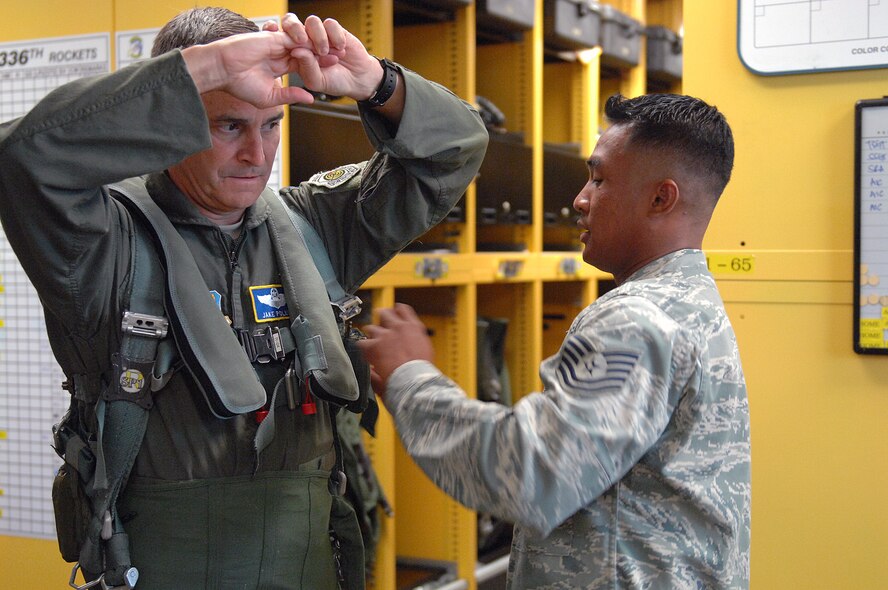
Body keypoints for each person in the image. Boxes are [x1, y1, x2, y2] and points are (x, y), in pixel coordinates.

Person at [0, 6, 487, 589]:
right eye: (229, 126)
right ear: (171, 122)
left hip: (308, 564)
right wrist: (201, 69)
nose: (258, 154)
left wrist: (379, 84)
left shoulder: (313, 228)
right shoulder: (106, 246)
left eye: (271, 125)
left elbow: (455, 149)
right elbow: (22, 159)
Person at [358, 93, 750, 589]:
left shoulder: (636, 319)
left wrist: (409, 377)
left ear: (660, 198)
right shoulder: (690, 299)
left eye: (599, 180)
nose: (580, 199)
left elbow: (533, 475)